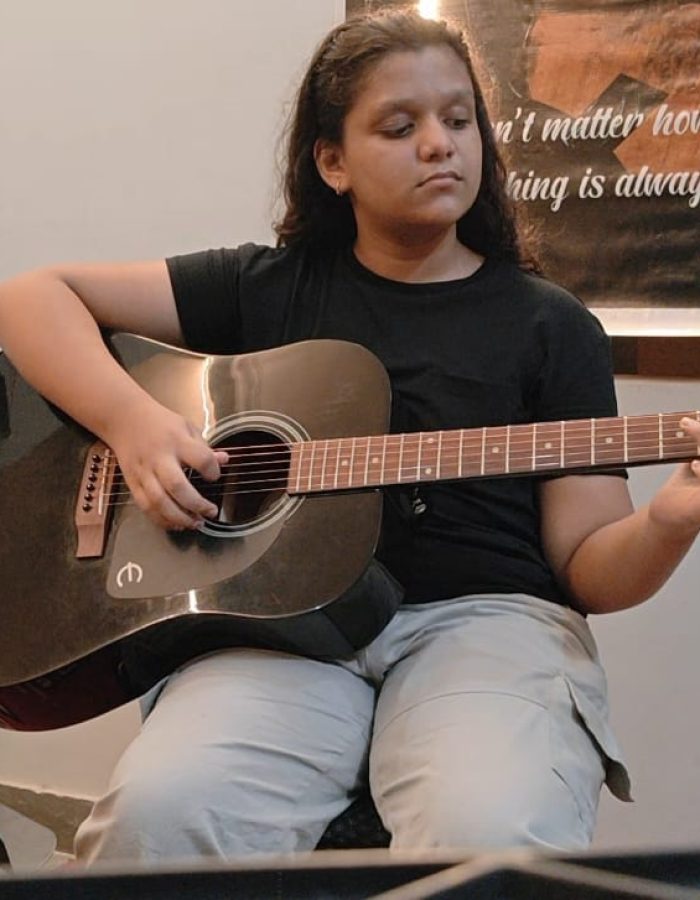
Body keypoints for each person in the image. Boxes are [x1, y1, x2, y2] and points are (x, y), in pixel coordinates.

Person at [1, 6, 700, 864]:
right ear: (331, 162)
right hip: (278, 634)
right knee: (161, 818)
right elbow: (30, 300)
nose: (441, 144)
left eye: (459, 119)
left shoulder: (551, 327)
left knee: (488, 837)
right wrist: (135, 423)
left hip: (484, 625)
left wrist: (674, 518)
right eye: (400, 127)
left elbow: (588, 565)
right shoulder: (264, 287)